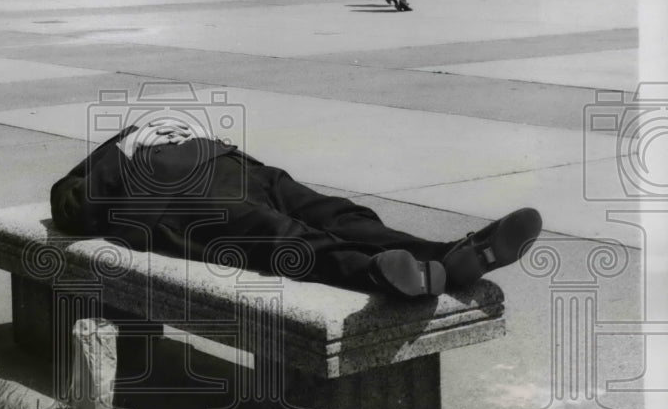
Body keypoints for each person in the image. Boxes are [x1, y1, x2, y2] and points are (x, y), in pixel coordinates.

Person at [50, 114, 542, 298]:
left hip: (241, 172)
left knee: (338, 214)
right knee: (285, 237)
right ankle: (379, 270)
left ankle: (448, 253)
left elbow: (73, 203)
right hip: (185, 198)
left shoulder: (125, 145)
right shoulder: (114, 155)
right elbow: (71, 208)